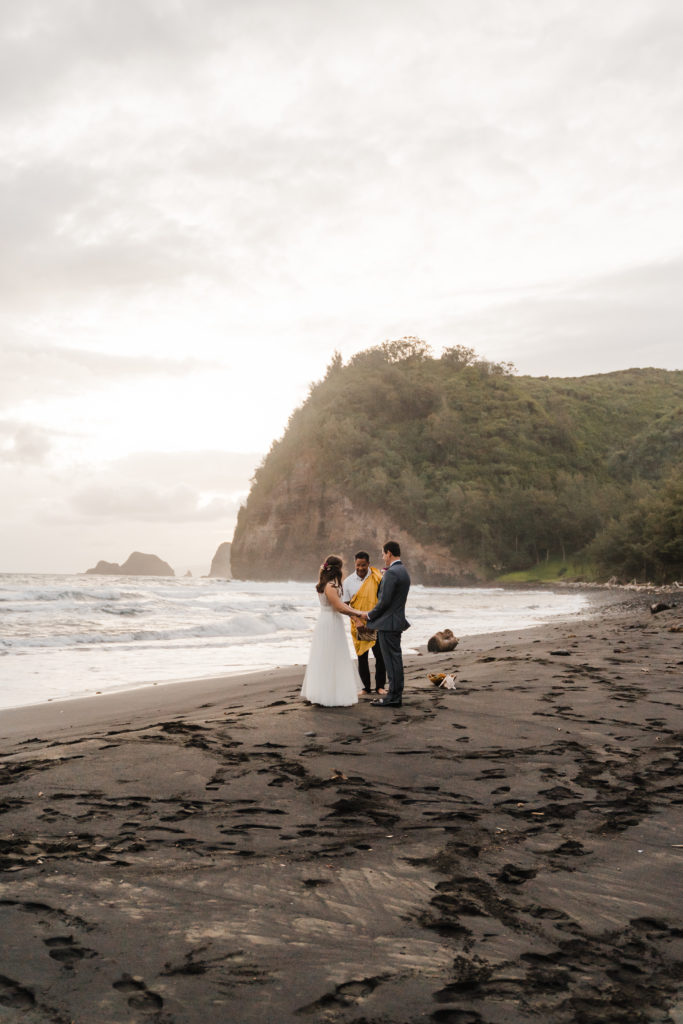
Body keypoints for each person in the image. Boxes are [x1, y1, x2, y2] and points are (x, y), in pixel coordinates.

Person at [300, 554, 364, 707]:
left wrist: (355, 617)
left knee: (333, 656)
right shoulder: (330, 586)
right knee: (329, 657)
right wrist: (359, 614)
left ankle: (331, 691)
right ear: (338, 569)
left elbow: (342, 605)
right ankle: (328, 695)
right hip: (329, 623)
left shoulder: (330, 584)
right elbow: (339, 607)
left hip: (331, 621)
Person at [359, 541, 411, 708]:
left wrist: (368, 615)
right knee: (395, 660)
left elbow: (384, 602)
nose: (383, 557)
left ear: (389, 553)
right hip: (396, 622)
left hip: (388, 625)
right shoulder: (403, 571)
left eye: (383, 554)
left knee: (391, 661)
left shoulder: (392, 573)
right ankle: (395, 695)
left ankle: (394, 697)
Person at [342, 550, 387, 696]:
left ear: (368, 564)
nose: (360, 568)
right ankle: (365, 688)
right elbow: (346, 605)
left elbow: (383, 601)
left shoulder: (377, 578)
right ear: (354, 564)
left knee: (380, 656)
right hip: (359, 625)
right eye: (358, 565)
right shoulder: (348, 582)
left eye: (363, 565)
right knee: (362, 656)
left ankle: (380, 686)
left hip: (376, 622)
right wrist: (356, 621)